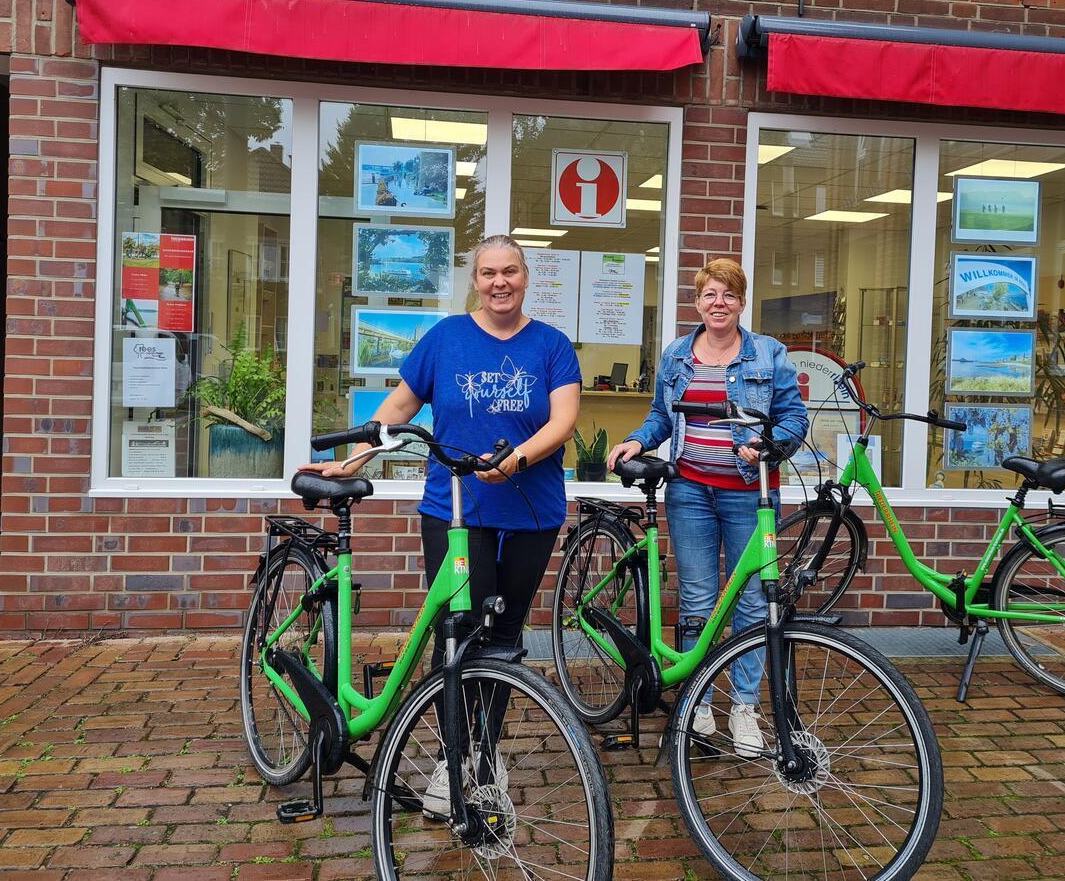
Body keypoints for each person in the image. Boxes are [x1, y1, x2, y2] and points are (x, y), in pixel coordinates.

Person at [299, 234, 581, 815]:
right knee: (458, 631)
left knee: (504, 639)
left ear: (525, 277)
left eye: (510, 271)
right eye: (488, 273)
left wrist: (518, 460)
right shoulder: (446, 339)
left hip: (531, 511)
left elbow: (564, 420)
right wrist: (352, 459)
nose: (499, 282)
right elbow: (399, 409)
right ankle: (453, 763)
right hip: (456, 510)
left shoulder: (551, 345)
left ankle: (486, 754)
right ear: (474, 281)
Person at [606, 258, 807, 757]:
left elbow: (794, 417)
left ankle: (743, 706)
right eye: (710, 295)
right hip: (690, 490)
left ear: (742, 302)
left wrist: (768, 445)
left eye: (729, 295)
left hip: (749, 494)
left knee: (752, 603)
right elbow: (660, 416)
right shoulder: (677, 353)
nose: (719, 304)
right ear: (698, 302)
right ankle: (697, 701)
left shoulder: (769, 354)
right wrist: (638, 441)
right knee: (697, 598)